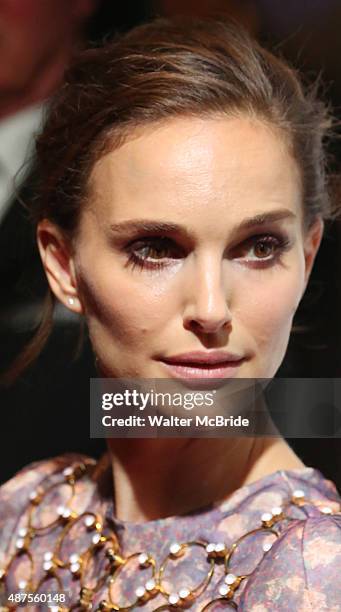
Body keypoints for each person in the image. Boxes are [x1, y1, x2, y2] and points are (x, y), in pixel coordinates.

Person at [1, 16, 341, 611]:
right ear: (62, 266)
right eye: (155, 248)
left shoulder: (313, 576)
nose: (212, 309)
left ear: (307, 257)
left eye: (259, 247)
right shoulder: (25, 514)